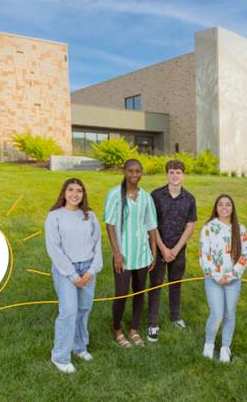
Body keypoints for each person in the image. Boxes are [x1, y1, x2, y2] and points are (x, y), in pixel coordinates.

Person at [44, 178, 103, 374]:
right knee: (69, 311)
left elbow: (97, 246)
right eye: (71, 190)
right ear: (64, 192)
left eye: (79, 191)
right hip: (65, 269)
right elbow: (54, 249)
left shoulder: (89, 216)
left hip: (87, 268)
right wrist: (72, 274)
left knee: (84, 309)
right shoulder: (54, 216)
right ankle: (60, 356)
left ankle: (79, 347)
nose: (75, 194)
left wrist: (91, 271)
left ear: (83, 194)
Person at [104, 158, 158, 348]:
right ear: (124, 172)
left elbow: (151, 226)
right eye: (131, 171)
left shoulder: (146, 197)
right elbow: (109, 225)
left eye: (138, 171)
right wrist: (116, 253)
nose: (134, 175)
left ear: (141, 173)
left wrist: (153, 251)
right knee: (121, 294)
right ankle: (117, 330)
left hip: (142, 254)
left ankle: (134, 329)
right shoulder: (114, 195)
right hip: (124, 256)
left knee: (139, 292)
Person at [147, 159, 198, 341]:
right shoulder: (156, 195)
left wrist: (176, 249)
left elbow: (190, 225)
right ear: (166, 174)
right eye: (171, 172)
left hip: (178, 250)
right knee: (156, 285)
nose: (175, 175)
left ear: (183, 175)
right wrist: (162, 248)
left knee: (175, 283)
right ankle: (152, 322)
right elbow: (151, 224)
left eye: (178, 172)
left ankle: (175, 317)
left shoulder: (189, 199)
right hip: (158, 248)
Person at [199, 194, 247, 363]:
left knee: (230, 314)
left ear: (232, 208)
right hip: (214, 279)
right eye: (221, 205)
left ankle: (225, 348)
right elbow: (203, 255)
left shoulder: (240, 229)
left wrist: (231, 275)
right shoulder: (208, 228)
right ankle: (209, 344)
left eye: (228, 205)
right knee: (217, 314)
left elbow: (245, 255)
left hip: (233, 280)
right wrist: (216, 275)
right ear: (216, 207)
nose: (224, 208)